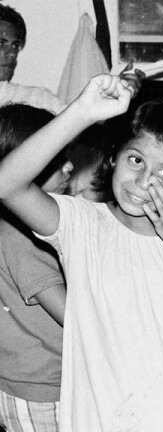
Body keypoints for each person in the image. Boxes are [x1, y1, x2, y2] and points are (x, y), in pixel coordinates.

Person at [0, 75, 163, 431]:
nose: (145, 181)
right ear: (115, 157)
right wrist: (83, 112)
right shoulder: (81, 224)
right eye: (136, 160)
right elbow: (6, 185)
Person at [0, 104, 71, 431]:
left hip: (24, 382)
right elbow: (71, 314)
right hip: (42, 390)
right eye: (56, 159)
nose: (70, 165)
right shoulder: (22, 235)